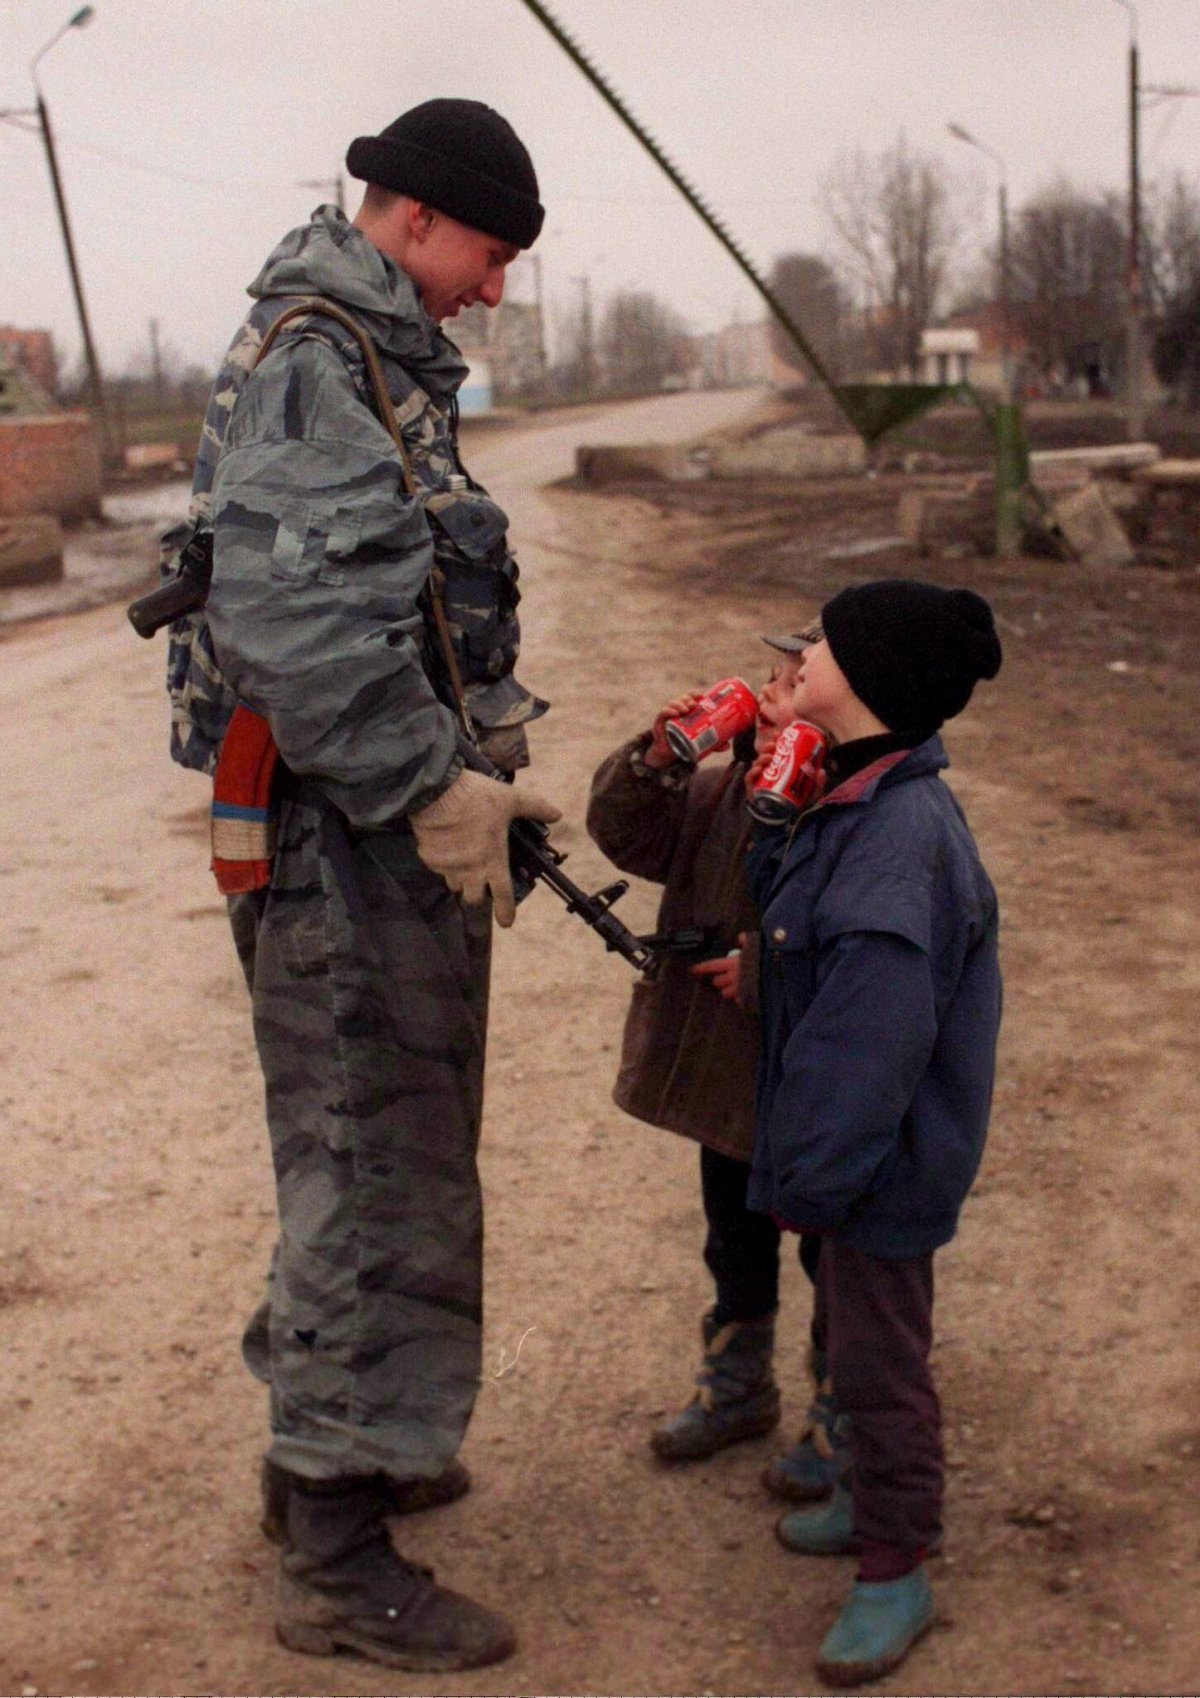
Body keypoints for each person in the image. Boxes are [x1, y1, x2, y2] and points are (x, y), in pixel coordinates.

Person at [159, 101, 560, 1672]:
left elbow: (410, 608)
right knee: (365, 1164)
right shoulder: (326, 364)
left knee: (392, 1148)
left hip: (374, 834)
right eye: (490, 252)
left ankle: (343, 1441)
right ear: (410, 221)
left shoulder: (376, 359)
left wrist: (480, 767)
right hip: (343, 842)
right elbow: (300, 638)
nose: (498, 288)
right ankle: (334, 1544)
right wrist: (432, 785)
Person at [746, 579, 1003, 1686]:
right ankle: (858, 1497)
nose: (804, 648)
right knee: (854, 1341)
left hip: (879, 1168)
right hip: (856, 1161)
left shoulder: (898, 839)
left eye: (828, 640)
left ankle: (896, 1566)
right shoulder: (854, 789)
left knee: (882, 1367)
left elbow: (872, 1040)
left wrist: (813, 1174)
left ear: (877, 687)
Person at [585, 633, 844, 1499]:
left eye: (794, 685)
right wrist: (654, 758)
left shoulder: (852, 818)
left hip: (815, 1083)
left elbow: (862, 949)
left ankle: (844, 1406)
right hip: (730, 1079)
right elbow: (626, 835)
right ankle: (738, 1380)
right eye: (768, 683)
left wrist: (771, 971)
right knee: (733, 1231)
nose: (771, 700)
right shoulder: (721, 794)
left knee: (832, 1250)